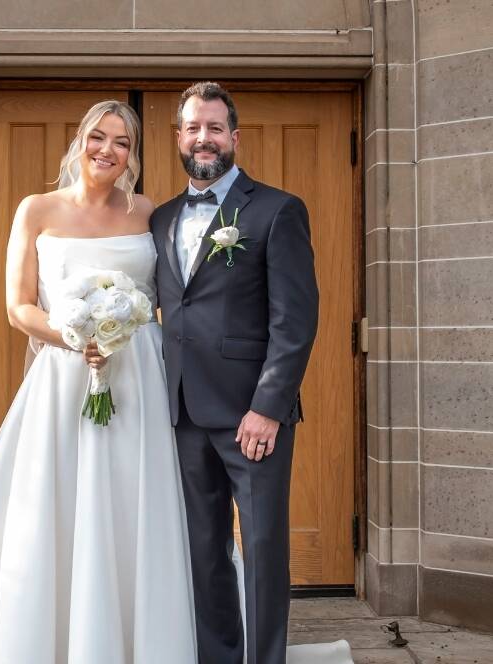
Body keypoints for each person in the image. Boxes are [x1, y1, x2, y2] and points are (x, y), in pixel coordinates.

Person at [0, 98, 352, 664]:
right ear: (80, 140)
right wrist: (75, 335)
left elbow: (281, 316)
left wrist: (267, 403)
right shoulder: (47, 210)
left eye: (122, 142)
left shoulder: (152, 213)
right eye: (99, 137)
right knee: (132, 527)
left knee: (177, 525)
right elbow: (18, 307)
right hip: (70, 382)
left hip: (148, 388)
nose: (108, 150)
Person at [151, 81, 320, 664]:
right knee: (204, 549)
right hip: (183, 411)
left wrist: (268, 408)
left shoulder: (277, 209)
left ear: (234, 137)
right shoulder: (161, 218)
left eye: (215, 128)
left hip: (253, 416)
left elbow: (294, 321)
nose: (204, 138)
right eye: (193, 128)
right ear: (179, 137)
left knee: (264, 548)